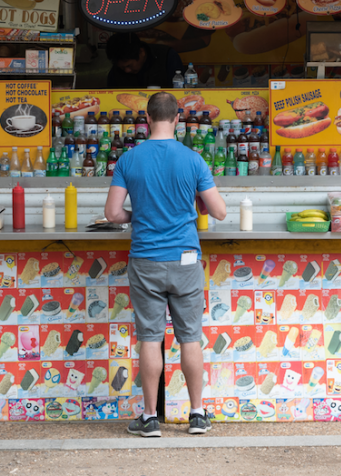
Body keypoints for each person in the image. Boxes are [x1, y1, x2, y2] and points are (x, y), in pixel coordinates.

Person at [104, 91, 227, 437]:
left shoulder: (129, 159)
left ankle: (149, 418)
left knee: (149, 337)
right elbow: (218, 210)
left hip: (146, 259)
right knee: (190, 338)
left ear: (146, 117)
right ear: (177, 119)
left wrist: (137, 214)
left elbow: (112, 214)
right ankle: (198, 414)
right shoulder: (193, 159)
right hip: (186, 260)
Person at [105, 33, 183, 89]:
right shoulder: (116, 71)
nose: (127, 71)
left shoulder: (167, 56)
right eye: (122, 68)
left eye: (129, 66)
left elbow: (179, 91)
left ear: (142, 52)